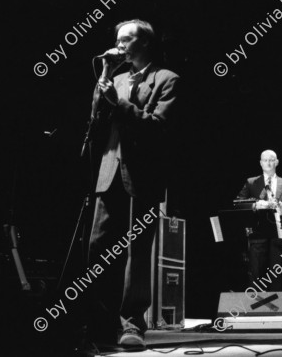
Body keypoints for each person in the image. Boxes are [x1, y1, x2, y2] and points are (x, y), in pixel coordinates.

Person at [88, 19, 179, 348]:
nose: (120, 45)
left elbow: (158, 126)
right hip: (108, 172)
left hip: (142, 177)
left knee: (135, 253)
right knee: (97, 248)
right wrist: (102, 93)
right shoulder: (115, 78)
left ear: (146, 44)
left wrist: (120, 103)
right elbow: (96, 127)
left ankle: (132, 325)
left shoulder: (166, 79)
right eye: (118, 40)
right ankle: (98, 323)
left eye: (128, 40)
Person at [236, 150, 282, 291]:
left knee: (277, 275)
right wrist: (255, 205)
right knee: (256, 274)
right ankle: (255, 309)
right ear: (260, 163)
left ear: (277, 162)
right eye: (265, 160)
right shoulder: (251, 182)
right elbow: (238, 203)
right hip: (257, 234)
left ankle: (278, 309)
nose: (268, 163)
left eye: (271, 160)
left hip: (278, 234)